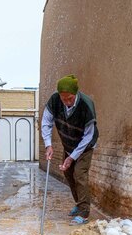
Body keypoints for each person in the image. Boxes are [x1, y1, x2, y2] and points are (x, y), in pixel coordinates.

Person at [41, 74, 99, 225]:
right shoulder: (54, 101)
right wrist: (48, 145)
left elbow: (88, 136)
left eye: (70, 98)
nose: (66, 102)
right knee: (68, 172)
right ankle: (79, 204)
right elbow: (46, 122)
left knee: (79, 174)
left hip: (85, 146)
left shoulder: (86, 105)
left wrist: (72, 157)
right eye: (63, 98)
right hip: (69, 144)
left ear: (76, 93)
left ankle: (84, 213)